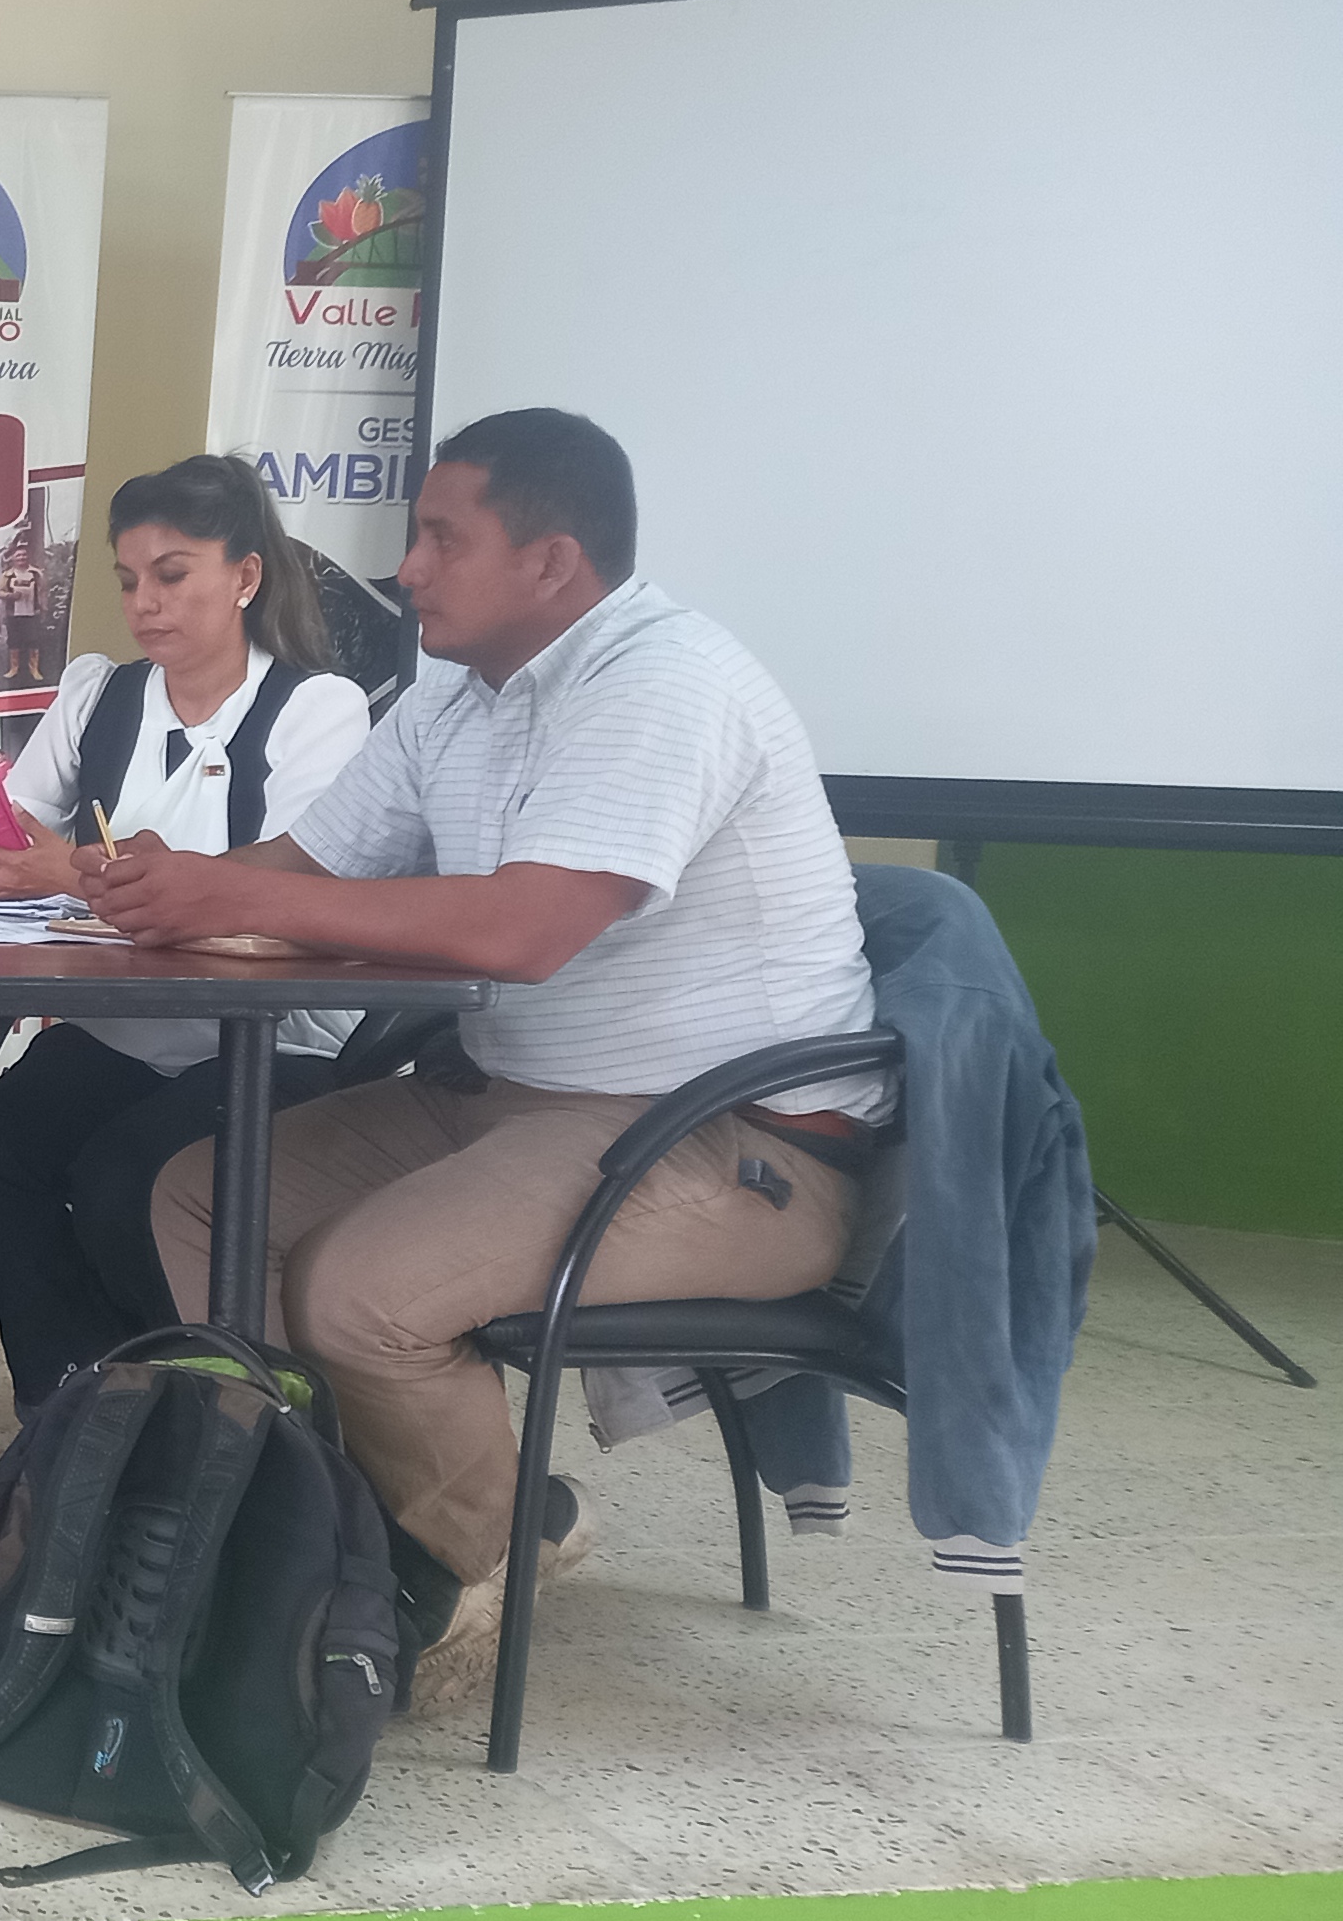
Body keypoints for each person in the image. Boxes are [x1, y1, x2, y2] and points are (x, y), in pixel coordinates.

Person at [99, 410, 882, 1710]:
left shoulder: (664, 682)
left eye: (438, 539)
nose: (405, 569)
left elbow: (524, 931)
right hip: (519, 1099)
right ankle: (326, 1528)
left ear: (550, 562)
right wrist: (135, 885)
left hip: (728, 1141)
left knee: (358, 1291)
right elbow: (299, 870)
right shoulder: (457, 698)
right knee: (200, 1194)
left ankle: (484, 1558)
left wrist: (233, 898)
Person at [0, 454, 373, 1404]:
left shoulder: (315, 710)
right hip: (128, 1027)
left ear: (246, 576)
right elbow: (9, 835)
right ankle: (72, 1401)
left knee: (124, 1177)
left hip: (269, 1041)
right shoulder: (99, 695)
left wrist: (63, 870)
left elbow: (293, 902)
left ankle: (208, 1405)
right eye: (129, 580)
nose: (145, 604)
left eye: (172, 575)